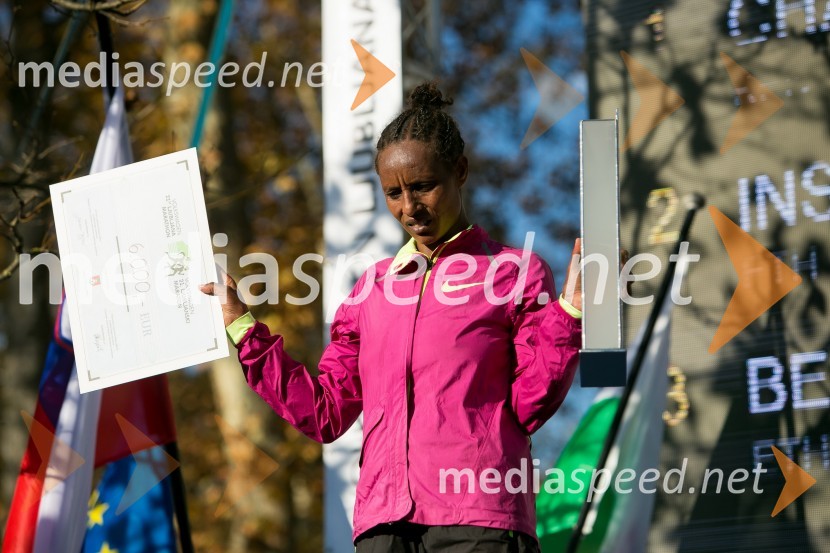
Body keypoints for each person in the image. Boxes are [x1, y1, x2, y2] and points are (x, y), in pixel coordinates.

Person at [201, 82, 584, 553]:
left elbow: (530, 405)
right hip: (383, 529)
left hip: (480, 522)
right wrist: (244, 328)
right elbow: (324, 414)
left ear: (460, 171)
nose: (409, 207)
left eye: (423, 186)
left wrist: (569, 315)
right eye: (393, 193)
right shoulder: (371, 289)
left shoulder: (514, 272)